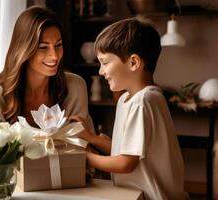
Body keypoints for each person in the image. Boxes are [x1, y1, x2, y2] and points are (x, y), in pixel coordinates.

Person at [73, 17, 186, 200]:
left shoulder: (143, 101)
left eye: (105, 62)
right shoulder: (128, 99)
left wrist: (84, 158)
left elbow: (126, 163)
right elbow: (124, 152)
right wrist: (91, 138)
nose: (101, 71)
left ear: (133, 63)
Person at [0, 5, 94, 134]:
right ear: (24, 49)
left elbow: (84, 145)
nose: (55, 56)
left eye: (58, 45)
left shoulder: (75, 87)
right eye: (43, 47)